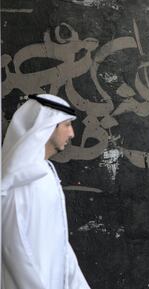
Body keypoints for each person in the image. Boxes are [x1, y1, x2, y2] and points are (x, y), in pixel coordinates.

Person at [1, 94, 91, 289]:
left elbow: (59, 242)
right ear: (48, 125)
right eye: (67, 125)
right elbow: (13, 249)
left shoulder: (46, 172)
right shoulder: (18, 179)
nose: (72, 134)